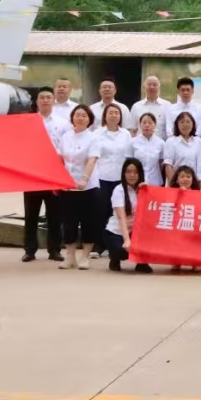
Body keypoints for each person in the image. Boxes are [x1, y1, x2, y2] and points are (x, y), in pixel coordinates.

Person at [84, 103, 132, 258]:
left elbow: (129, 157)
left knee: (118, 212)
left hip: (120, 179)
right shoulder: (97, 133)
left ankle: (115, 245)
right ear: (105, 116)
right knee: (100, 212)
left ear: (120, 116)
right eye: (110, 112)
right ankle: (99, 246)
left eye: (116, 113)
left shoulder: (126, 134)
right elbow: (93, 156)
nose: (113, 115)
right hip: (102, 178)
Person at [24, 87, 67, 262]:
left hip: (54, 174)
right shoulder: (28, 122)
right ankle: (29, 250)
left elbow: (65, 147)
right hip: (32, 173)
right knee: (31, 215)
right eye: (42, 97)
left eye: (49, 97)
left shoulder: (63, 123)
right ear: (37, 101)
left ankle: (54, 250)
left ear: (53, 101)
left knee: (55, 215)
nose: (45, 100)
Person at [58, 105, 100, 270]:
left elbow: (92, 159)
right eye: (77, 115)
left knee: (88, 221)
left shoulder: (93, 138)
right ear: (72, 118)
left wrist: (84, 179)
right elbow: (60, 159)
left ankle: (85, 257)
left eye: (84, 115)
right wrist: (58, 180)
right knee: (69, 222)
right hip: (67, 186)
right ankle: (70, 257)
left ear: (89, 119)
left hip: (88, 187)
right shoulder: (65, 137)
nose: (80, 118)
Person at [101, 158, 152, 273]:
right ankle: (114, 258)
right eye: (128, 172)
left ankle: (141, 263)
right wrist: (127, 240)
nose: (132, 175)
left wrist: (148, 191)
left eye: (135, 172)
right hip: (117, 232)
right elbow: (121, 218)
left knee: (152, 241)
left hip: (137, 231)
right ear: (123, 173)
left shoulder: (144, 189)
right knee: (122, 250)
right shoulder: (119, 190)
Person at [162, 112, 201, 185]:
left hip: (193, 183)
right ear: (177, 124)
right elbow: (168, 165)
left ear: (193, 124)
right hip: (176, 183)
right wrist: (173, 184)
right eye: (182, 122)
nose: (185, 125)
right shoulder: (171, 141)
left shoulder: (199, 141)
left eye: (188, 122)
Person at [131, 113, 165, 187]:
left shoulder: (161, 143)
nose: (147, 125)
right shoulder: (133, 142)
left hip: (155, 182)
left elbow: (161, 163)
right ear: (140, 125)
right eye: (144, 122)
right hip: (137, 181)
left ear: (155, 125)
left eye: (150, 123)